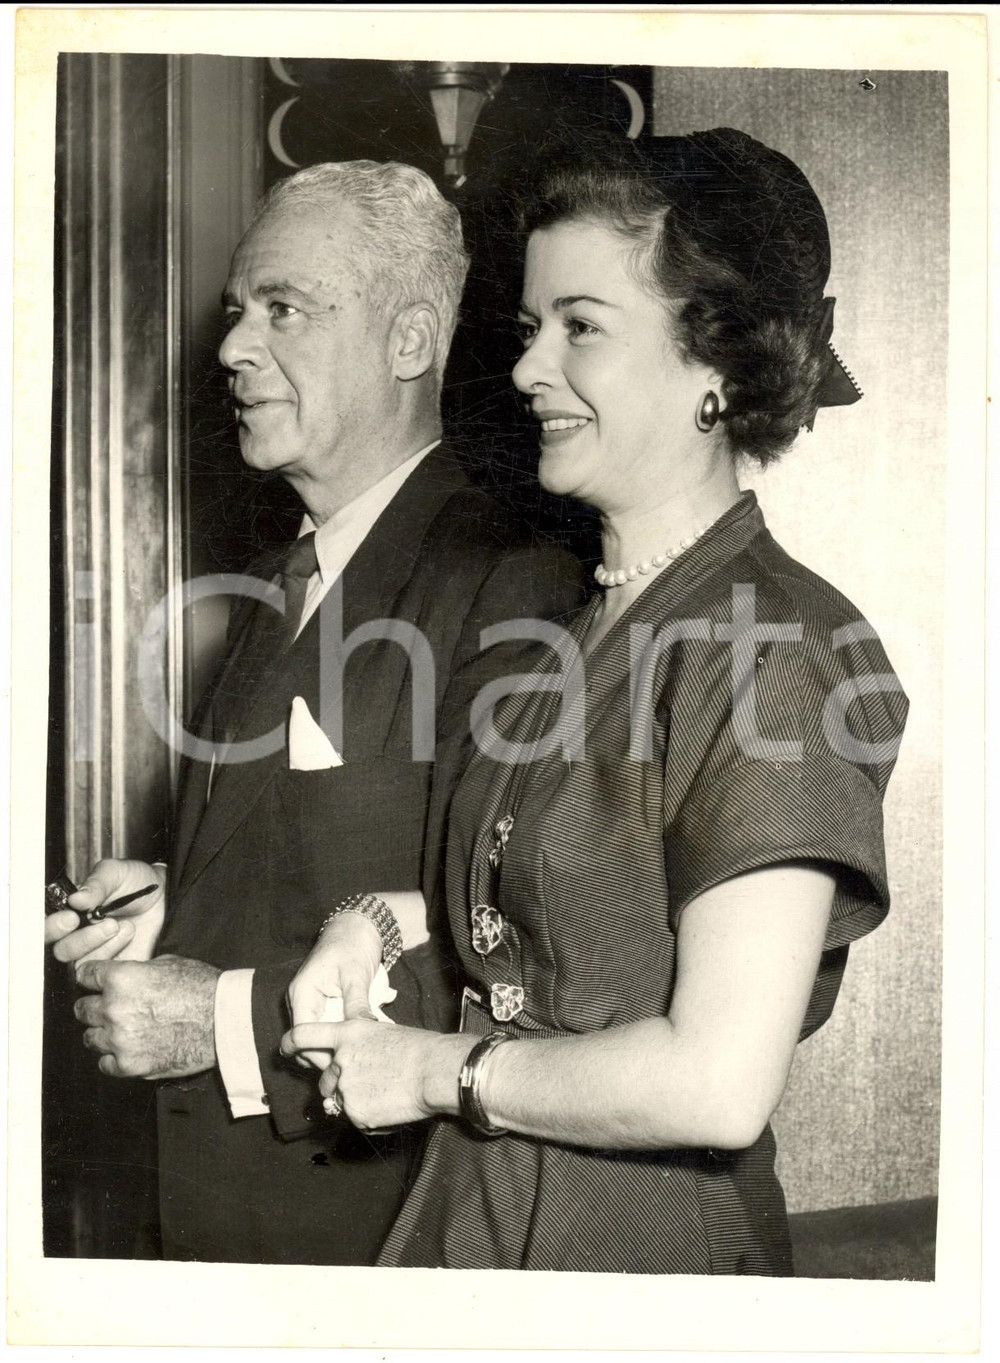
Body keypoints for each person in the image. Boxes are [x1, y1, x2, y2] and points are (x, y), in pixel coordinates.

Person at [280, 129, 910, 1274]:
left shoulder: (770, 649)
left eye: (581, 326)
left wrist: (433, 1070)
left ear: (715, 365)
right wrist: (376, 923)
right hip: (478, 1218)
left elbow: (716, 1080)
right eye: (530, 329)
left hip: (636, 1252)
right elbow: (582, 908)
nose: (524, 369)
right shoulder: (577, 628)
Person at [44, 159, 584, 1264]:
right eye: (240, 310)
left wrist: (226, 1022)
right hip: (217, 1228)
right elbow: (328, 850)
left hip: (372, 1244)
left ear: (407, 341)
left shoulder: (510, 579)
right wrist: (169, 905)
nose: (235, 346)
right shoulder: (285, 580)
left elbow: (532, 943)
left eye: (283, 309)